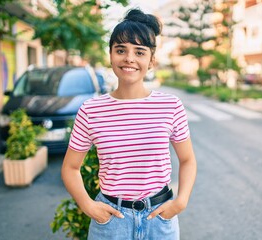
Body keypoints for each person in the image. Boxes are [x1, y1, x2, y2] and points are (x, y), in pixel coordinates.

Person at [61, 8, 197, 240]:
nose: (129, 59)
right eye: (121, 50)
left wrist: (180, 202)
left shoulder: (170, 106)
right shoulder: (91, 110)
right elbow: (70, 168)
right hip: (112, 222)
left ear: (151, 60)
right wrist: (88, 205)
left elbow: (188, 160)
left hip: (159, 218)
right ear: (111, 55)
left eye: (140, 52)